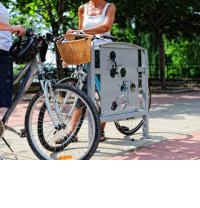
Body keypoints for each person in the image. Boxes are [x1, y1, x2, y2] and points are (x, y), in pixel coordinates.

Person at [56, 0, 116, 144]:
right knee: (81, 92)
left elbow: (106, 26)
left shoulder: (110, 7)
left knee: (105, 93)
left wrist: (80, 31)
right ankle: (72, 133)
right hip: (87, 52)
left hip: (105, 52)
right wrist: (71, 50)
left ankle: (100, 130)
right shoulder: (82, 8)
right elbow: (81, 35)